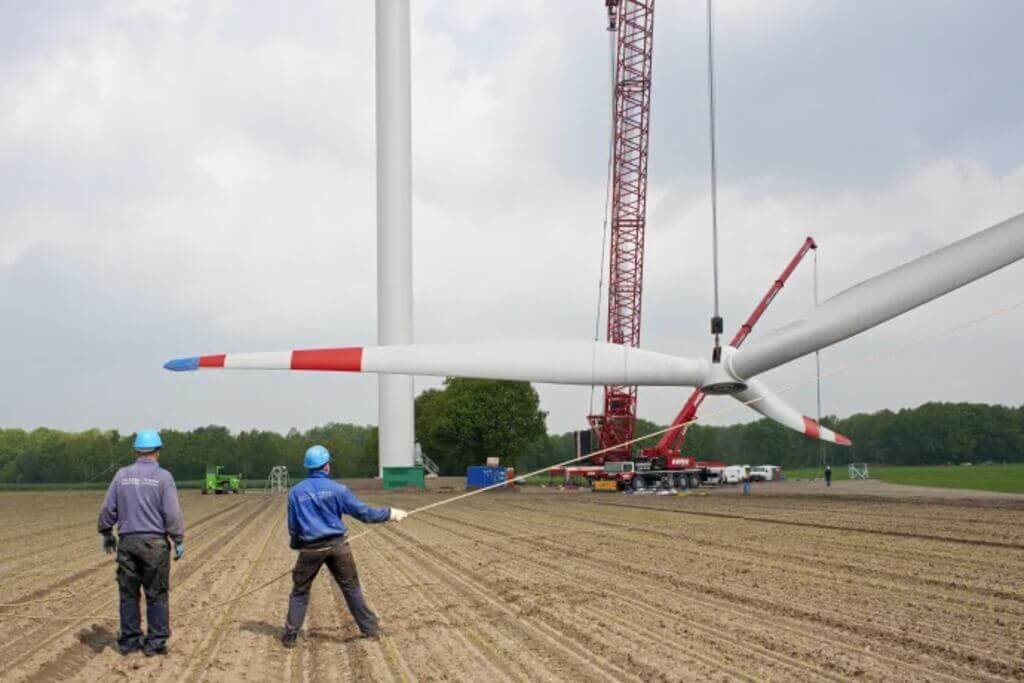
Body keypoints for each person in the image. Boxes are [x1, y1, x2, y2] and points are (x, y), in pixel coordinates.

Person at [282, 445, 408, 648]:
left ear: (308, 467)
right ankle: (370, 629)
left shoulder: (296, 493)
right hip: (339, 546)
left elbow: (293, 527)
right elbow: (365, 513)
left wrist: (298, 546)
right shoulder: (338, 490)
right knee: (351, 587)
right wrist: (390, 513)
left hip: (310, 549)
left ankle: (290, 634)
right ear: (326, 467)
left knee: (300, 591)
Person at [97, 429, 185, 657]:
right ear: (158, 451)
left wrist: (107, 532)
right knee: (156, 594)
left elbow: (108, 509)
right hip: (155, 544)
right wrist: (178, 538)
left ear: (136, 451)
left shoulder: (122, 475)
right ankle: (155, 643)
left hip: (127, 543)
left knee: (128, 594)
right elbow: (172, 513)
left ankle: (129, 641)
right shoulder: (164, 477)